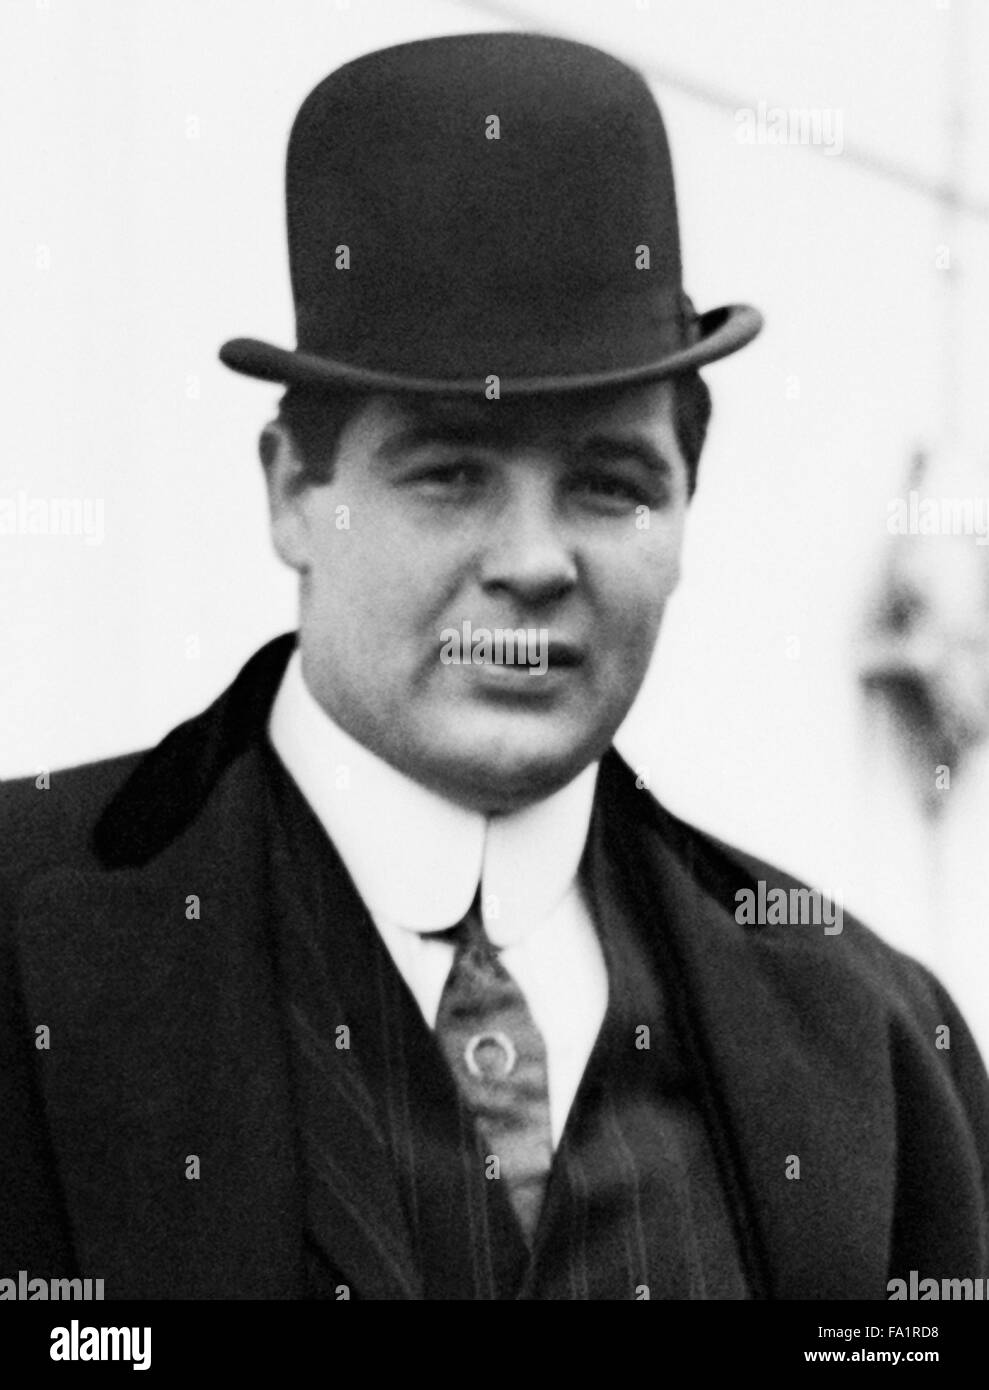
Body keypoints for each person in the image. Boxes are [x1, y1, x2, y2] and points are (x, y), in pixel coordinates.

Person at [2, 31, 987, 1302]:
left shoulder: (880, 1050)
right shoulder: (36, 948)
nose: (532, 559)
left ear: (689, 496)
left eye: (607, 482)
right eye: (450, 471)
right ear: (297, 490)